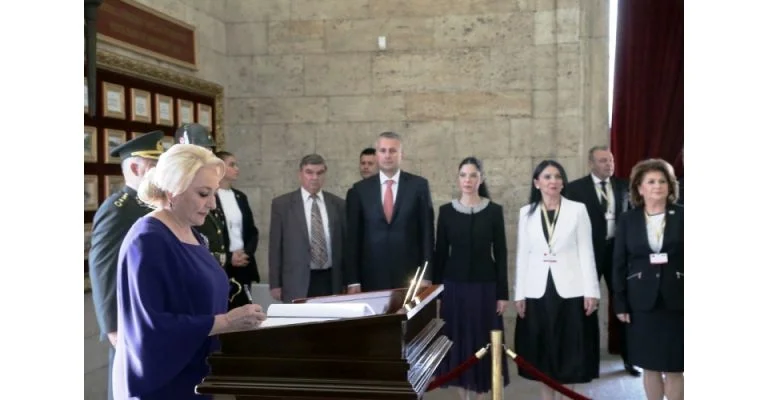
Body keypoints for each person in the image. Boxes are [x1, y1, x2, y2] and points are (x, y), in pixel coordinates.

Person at [111, 144, 266, 400]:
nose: (212, 204)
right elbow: (150, 327)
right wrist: (226, 322)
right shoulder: (148, 239)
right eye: (204, 194)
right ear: (173, 190)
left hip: (197, 373)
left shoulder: (192, 232)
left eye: (214, 193)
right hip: (163, 384)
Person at [513, 160, 601, 400]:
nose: (553, 181)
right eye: (547, 176)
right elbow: (523, 255)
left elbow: (586, 251)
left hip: (572, 290)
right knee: (544, 355)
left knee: (569, 353)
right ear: (537, 183)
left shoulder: (577, 210)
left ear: (563, 182)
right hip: (537, 290)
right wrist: (519, 294)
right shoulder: (526, 213)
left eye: (558, 176)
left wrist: (592, 291)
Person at [88, 130, 165, 400]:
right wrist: (113, 328)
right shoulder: (119, 208)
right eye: (154, 165)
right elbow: (103, 269)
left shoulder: (152, 203)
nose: (162, 172)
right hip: (130, 320)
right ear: (134, 168)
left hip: (156, 312)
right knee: (130, 387)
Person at [433, 157, 509, 399]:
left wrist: (502, 294)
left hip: (485, 288)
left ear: (481, 179)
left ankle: (480, 396)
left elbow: (501, 253)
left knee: (483, 341)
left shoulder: (494, 211)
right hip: (454, 288)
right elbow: (440, 253)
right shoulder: (446, 212)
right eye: (463, 175)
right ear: (458, 179)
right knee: (459, 343)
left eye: (473, 175)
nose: (468, 180)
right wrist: (437, 293)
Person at [612, 159, 683, 400]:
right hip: (641, 301)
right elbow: (619, 263)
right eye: (651, 181)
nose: (657, 186)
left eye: (663, 181)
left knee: (675, 366)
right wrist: (620, 302)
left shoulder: (684, 215)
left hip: (678, 300)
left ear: (670, 186)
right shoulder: (628, 219)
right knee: (649, 365)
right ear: (639, 188)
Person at [565, 145, 638, 376]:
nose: (609, 164)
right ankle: (586, 358)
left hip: (618, 253)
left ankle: (629, 358)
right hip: (589, 253)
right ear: (591, 163)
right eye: (603, 161)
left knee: (623, 302)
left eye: (611, 160)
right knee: (586, 305)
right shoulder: (575, 189)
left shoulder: (624, 186)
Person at [345, 131, 435, 293]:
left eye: (393, 151)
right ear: (377, 154)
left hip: (410, 276)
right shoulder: (360, 190)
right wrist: (353, 280)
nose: (387, 155)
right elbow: (353, 239)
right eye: (383, 150)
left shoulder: (418, 186)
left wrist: (426, 275)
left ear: (401, 154)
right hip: (371, 276)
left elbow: (427, 233)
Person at [174, 123, 247, 307]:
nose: (212, 203)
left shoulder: (207, 185)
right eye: (200, 151)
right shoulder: (176, 194)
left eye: (208, 151)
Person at [269, 154, 346, 303]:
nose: (314, 177)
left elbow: (344, 246)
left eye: (319, 173)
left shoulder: (338, 204)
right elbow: (275, 247)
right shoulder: (282, 205)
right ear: (300, 174)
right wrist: (275, 283)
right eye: (309, 172)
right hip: (297, 280)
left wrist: (347, 281)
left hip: (331, 279)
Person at [214, 151, 261, 308]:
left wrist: (246, 253)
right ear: (219, 167)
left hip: (243, 264)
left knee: (245, 308)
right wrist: (229, 257)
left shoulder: (240, 196)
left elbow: (252, 231)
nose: (237, 168)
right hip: (222, 266)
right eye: (232, 165)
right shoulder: (210, 197)